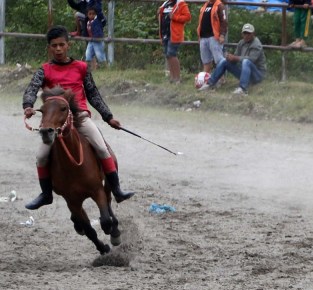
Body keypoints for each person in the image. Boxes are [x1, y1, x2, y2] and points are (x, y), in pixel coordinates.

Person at [22, 26, 134, 210]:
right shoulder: (44, 70)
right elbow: (32, 89)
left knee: (102, 148)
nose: (58, 49)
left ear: (68, 45)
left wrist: (108, 117)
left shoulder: (81, 67)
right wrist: (27, 105)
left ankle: (117, 190)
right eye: (54, 46)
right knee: (41, 156)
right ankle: (46, 194)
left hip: (79, 116)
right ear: (49, 48)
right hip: (54, 121)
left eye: (61, 45)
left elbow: (93, 94)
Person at [198, 23, 266, 95]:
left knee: (246, 61)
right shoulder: (241, 43)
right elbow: (236, 58)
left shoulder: (256, 44)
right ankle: (210, 84)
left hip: (257, 75)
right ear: (242, 34)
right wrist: (230, 58)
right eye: (245, 33)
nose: (247, 35)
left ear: (253, 34)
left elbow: (252, 59)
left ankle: (243, 89)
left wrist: (235, 58)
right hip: (245, 73)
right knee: (224, 61)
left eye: (249, 33)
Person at [158, 0, 192, 84]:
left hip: (174, 34)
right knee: (167, 55)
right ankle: (172, 78)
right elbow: (161, 16)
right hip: (165, 33)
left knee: (172, 54)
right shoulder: (165, 3)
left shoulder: (180, 3)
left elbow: (188, 17)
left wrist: (175, 17)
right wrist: (159, 13)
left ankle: (177, 78)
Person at [197, 0, 228, 74]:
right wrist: (199, 35)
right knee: (206, 61)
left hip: (214, 37)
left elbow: (223, 21)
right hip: (203, 37)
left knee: (219, 60)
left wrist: (222, 35)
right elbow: (200, 21)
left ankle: (221, 79)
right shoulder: (205, 5)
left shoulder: (220, 5)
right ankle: (206, 78)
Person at [85, 7, 106, 71]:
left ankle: (105, 68)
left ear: (96, 14)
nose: (91, 15)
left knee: (100, 55)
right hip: (91, 40)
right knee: (88, 54)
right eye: (90, 14)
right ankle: (88, 69)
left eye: (93, 14)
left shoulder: (97, 21)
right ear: (87, 15)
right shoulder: (88, 22)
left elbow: (103, 19)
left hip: (98, 40)